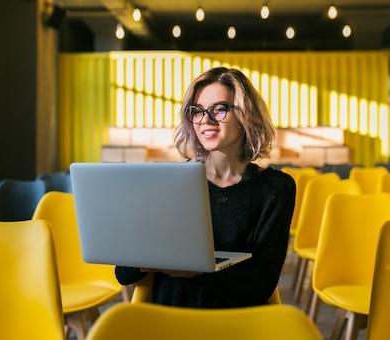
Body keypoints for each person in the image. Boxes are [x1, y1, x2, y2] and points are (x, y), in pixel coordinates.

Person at [115, 67, 296, 308]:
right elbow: (123, 273)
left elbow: (262, 284)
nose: (206, 120)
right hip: (169, 318)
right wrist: (144, 260)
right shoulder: (167, 181)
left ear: (245, 115)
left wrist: (199, 273)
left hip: (238, 321)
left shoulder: (275, 188)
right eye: (197, 111)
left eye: (219, 109)